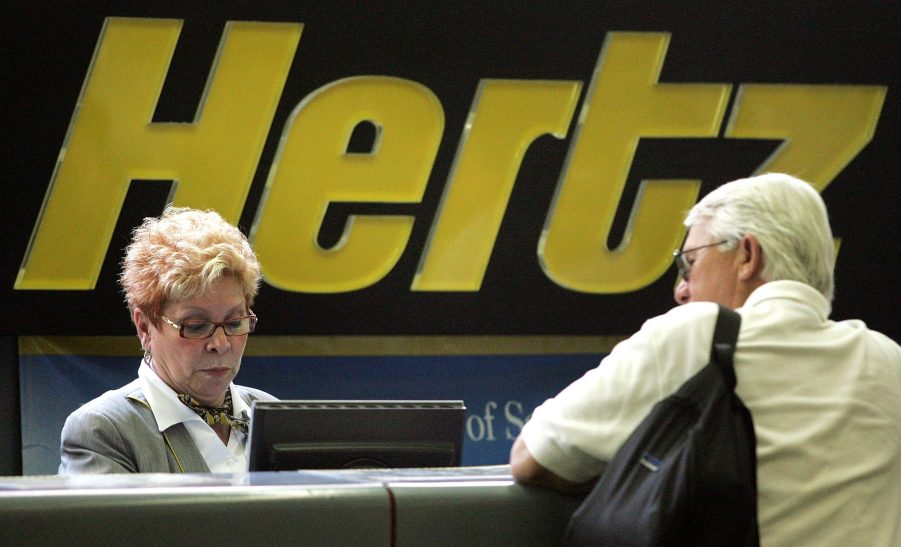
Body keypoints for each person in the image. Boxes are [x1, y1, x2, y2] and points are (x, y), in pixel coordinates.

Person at [510, 173, 900, 546]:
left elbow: (534, 456)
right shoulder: (888, 360)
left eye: (690, 263)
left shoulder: (698, 334)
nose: (681, 289)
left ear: (747, 255)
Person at [59, 206, 277, 474]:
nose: (220, 344)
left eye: (234, 323)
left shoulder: (269, 413)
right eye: (196, 327)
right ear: (144, 327)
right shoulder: (105, 429)